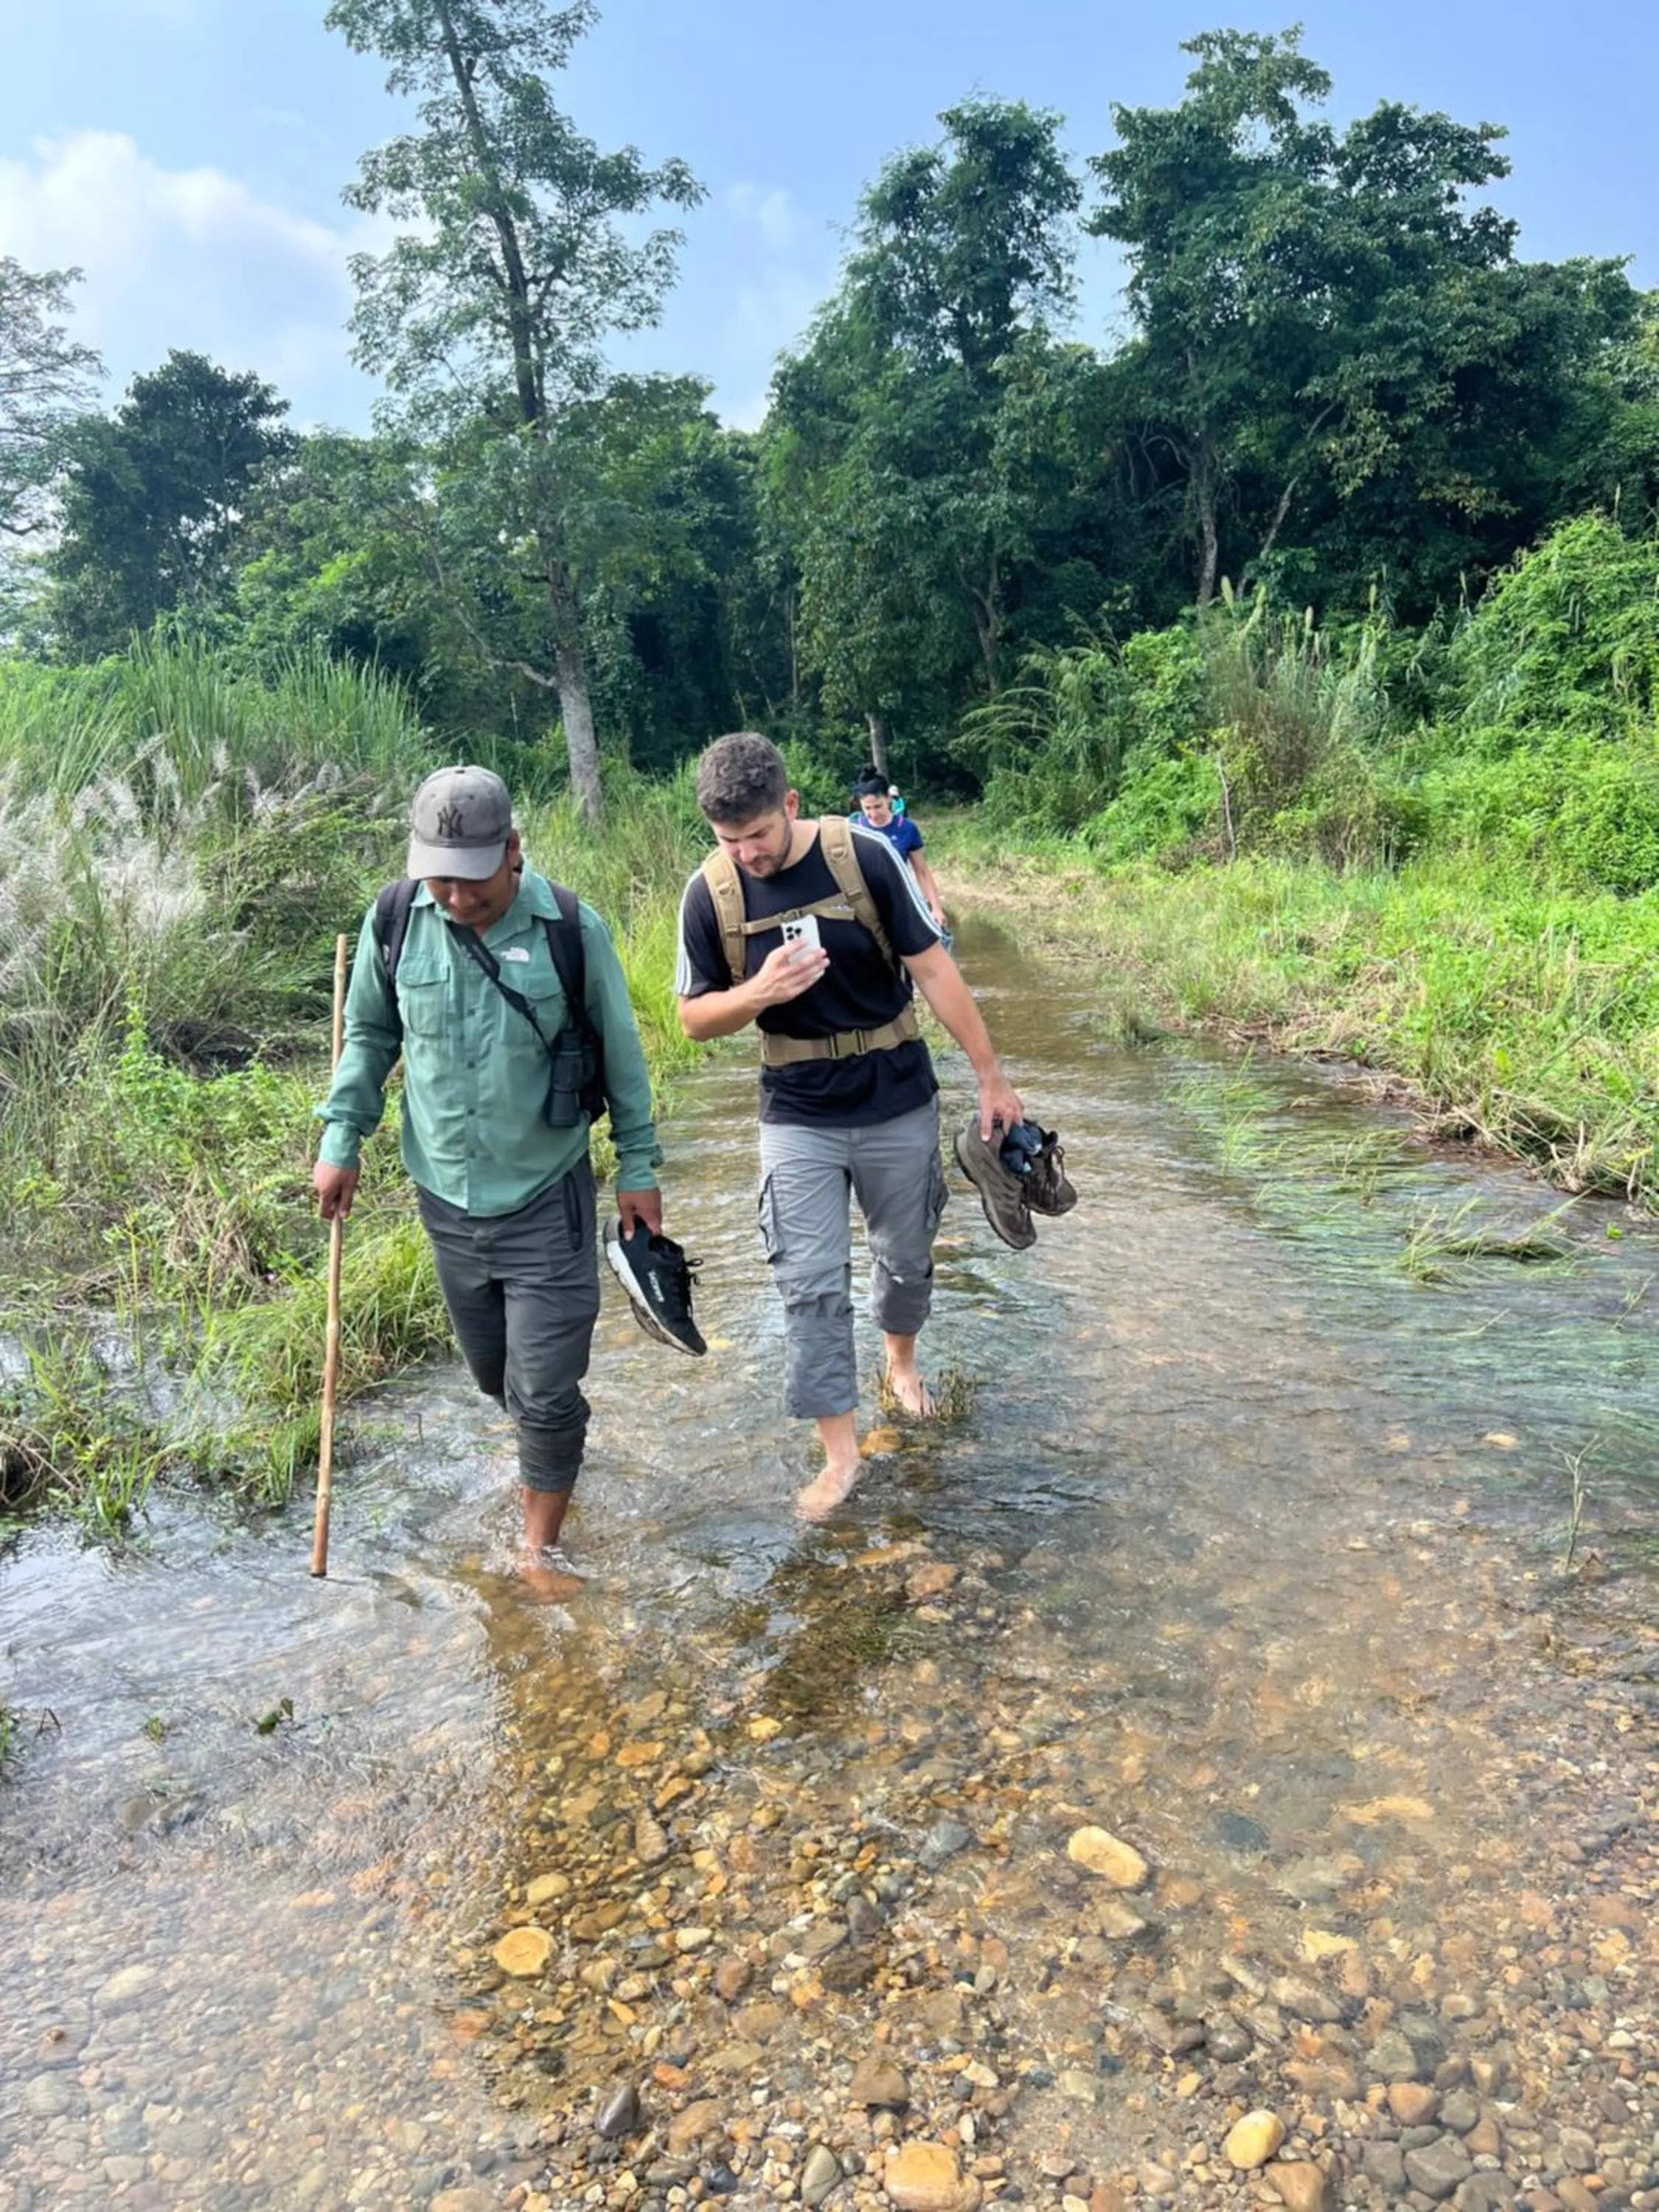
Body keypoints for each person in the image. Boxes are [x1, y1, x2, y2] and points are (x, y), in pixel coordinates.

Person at [313, 765, 695, 1596]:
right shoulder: (393, 921)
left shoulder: (569, 928)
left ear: (513, 852)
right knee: (498, 1377)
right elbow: (371, 1036)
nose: (455, 896)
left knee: (545, 1388)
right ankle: (549, 1451)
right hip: (445, 1200)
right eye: (439, 878)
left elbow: (624, 1056)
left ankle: (540, 1551)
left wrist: (639, 1166)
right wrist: (342, 1137)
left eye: (473, 878)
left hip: (546, 1194)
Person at [675, 731, 1023, 1520]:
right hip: (796, 1109)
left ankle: (900, 1360)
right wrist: (759, 991)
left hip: (896, 1093)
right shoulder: (711, 894)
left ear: (789, 806)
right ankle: (841, 1454)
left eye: (759, 835)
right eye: (730, 841)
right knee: (809, 1282)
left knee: (904, 1258)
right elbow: (694, 1019)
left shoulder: (863, 857)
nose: (748, 854)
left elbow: (932, 967)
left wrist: (991, 1075)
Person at [849, 765, 947, 934]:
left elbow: (922, 871)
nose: (873, 814)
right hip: (866, 906)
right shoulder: (854, 828)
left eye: (878, 806)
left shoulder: (907, 828)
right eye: (867, 808)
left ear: (889, 799)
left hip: (900, 901)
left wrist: (936, 908)